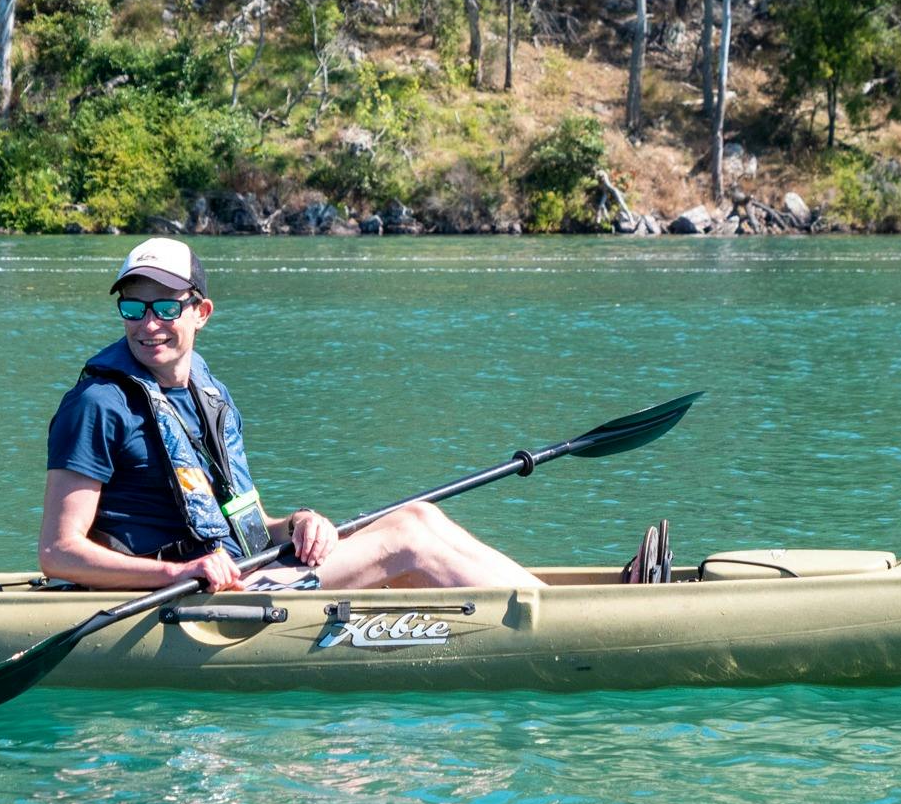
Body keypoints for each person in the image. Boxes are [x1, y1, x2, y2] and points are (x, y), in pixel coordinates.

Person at [40, 238, 548, 593]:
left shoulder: (208, 396)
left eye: (166, 308)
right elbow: (58, 553)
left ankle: (550, 601)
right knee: (408, 540)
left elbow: (249, 524)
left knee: (418, 516)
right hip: (185, 596)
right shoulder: (97, 405)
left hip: (242, 570)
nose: (149, 324)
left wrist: (300, 523)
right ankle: (567, 618)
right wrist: (175, 574)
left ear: (201, 312)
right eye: (134, 308)